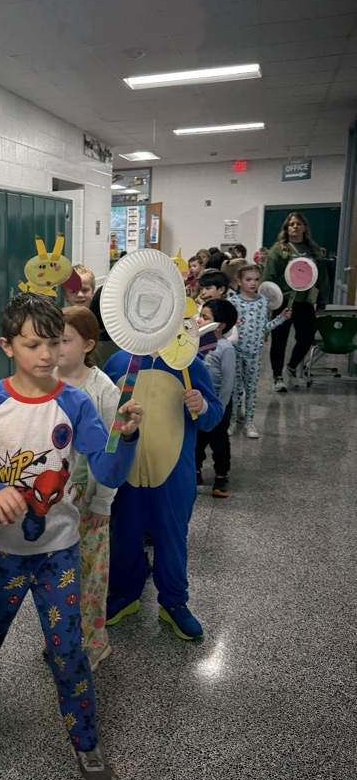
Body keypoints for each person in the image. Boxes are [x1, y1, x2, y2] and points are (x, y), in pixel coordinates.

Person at [0, 293, 142, 780]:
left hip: (58, 551)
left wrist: (126, 439)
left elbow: (107, 471)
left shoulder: (76, 403)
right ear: (7, 346)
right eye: (32, 344)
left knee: (68, 649)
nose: (45, 354)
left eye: (54, 343)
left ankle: (87, 744)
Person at [104, 325, 223, 642]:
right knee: (124, 535)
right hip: (126, 473)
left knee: (172, 538)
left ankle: (174, 602)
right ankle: (124, 593)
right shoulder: (119, 362)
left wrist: (202, 406)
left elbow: (213, 416)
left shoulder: (189, 364)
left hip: (173, 474)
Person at [55, 306, 120, 671]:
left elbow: (113, 451)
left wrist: (104, 501)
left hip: (89, 501)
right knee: (57, 575)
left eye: (64, 340)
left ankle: (95, 643)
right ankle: (62, 638)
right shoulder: (44, 381)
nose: (55, 348)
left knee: (91, 577)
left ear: (88, 345)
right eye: (50, 340)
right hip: (52, 503)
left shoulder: (103, 390)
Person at [262, 212, 331, 393]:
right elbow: (268, 276)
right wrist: (268, 302)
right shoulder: (278, 250)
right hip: (283, 302)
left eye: (298, 224)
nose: (295, 227)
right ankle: (277, 376)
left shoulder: (313, 250)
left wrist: (322, 302)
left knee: (306, 337)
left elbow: (322, 276)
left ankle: (291, 366)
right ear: (286, 228)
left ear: (304, 227)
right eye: (291, 224)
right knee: (279, 341)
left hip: (305, 301)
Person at [229, 264, 291, 437]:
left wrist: (281, 318)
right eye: (248, 279)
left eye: (256, 280)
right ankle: (233, 419)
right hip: (235, 352)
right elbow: (228, 327)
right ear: (239, 281)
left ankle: (250, 421)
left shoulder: (263, 302)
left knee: (251, 388)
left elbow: (264, 327)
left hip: (254, 353)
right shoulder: (233, 302)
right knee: (235, 388)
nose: (253, 283)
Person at [195, 300, 237, 498]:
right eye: (200, 316)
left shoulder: (225, 348)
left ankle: (221, 475)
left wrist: (221, 406)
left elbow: (228, 381)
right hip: (199, 402)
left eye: (205, 317)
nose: (199, 320)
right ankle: (195, 470)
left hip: (219, 402)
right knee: (197, 439)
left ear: (219, 326)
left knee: (219, 441)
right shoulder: (196, 342)